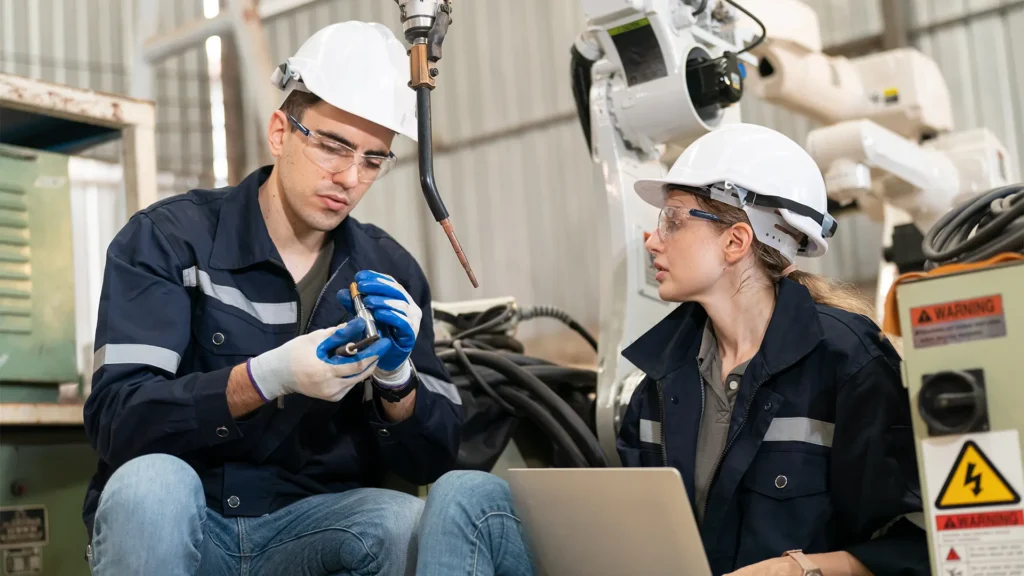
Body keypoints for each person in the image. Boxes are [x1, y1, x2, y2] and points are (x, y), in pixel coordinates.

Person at [413, 124, 928, 576]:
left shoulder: (849, 362)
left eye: (673, 221)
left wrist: (800, 569)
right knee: (467, 497)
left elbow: (918, 548)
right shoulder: (659, 378)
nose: (652, 241)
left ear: (736, 241)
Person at [83, 21, 462, 576]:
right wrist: (263, 378)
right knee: (149, 488)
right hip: (193, 518)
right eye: (333, 146)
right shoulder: (169, 240)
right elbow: (119, 421)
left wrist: (397, 383)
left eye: (373, 159)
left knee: (407, 525)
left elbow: (433, 458)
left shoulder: (391, 271)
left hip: (312, 526)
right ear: (281, 132)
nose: (350, 177)